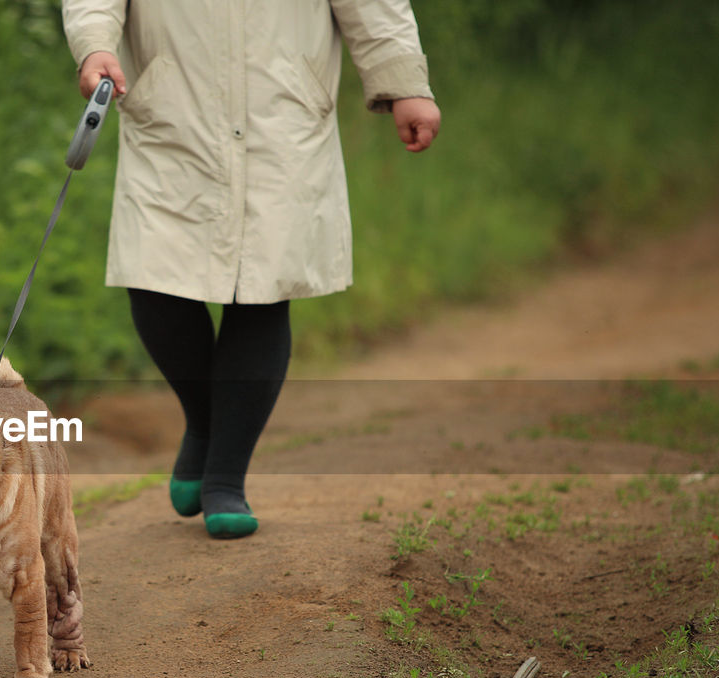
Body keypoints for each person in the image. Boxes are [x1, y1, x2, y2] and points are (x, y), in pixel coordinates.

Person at [62, 1, 441, 538]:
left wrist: (406, 83)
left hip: (283, 111)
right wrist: (96, 43)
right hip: (173, 109)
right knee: (155, 279)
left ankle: (224, 477)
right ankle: (204, 418)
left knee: (264, 288)